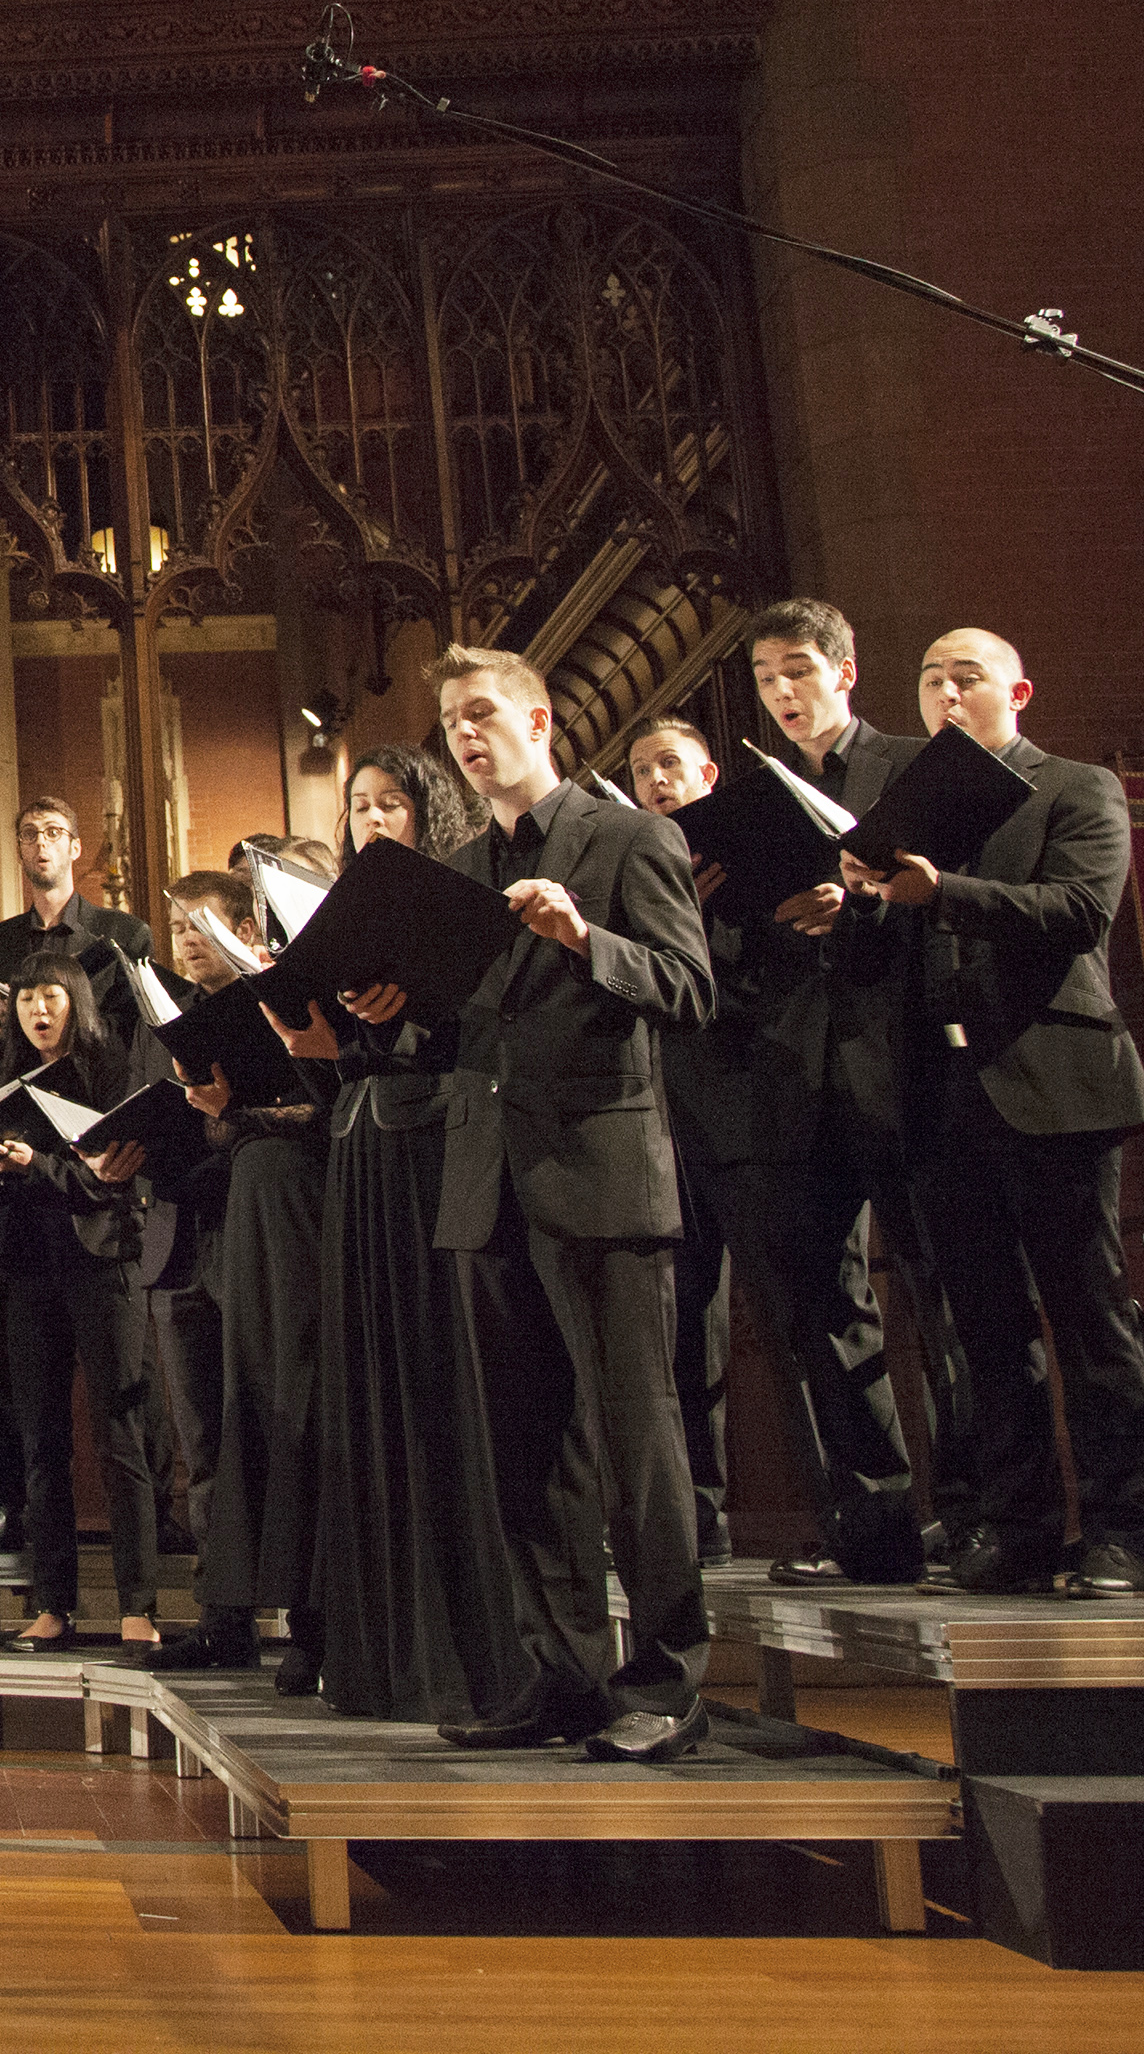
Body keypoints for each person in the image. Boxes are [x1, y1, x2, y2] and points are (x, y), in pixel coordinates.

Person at [426, 645, 719, 1764]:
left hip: (599, 1173)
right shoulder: (454, 867)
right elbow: (454, 1025)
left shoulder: (630, 836)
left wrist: (582, 940)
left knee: (636, 1444)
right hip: (486, 1179)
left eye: (484, 712)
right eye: (453, 719)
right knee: (524, 1451)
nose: (466, 733)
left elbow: (689, 987)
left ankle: (667, 1684)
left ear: (540, 718)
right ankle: (559, 1676)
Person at [874, 629, 1144, 1597]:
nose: (947, 693)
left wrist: (941, 889)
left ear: (1020, 691)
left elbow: (1080, 909)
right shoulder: (912, 811)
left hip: (1051, 1081)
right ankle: (1023, 1528)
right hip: (945, 1095)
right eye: (930, 681)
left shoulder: (1077, 787)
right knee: (987, 1329)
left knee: (1088, 1313)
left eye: (968, 678)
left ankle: (1122, 1530)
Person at [283, 750, 519, 1724]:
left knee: (437, 1392)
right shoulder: (341, 910)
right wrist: (319, 1051)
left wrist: (413, 1006)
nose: (374, 819)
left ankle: (460, 1657)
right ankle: (377, 1657)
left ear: (432, 812)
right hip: (361, 1160)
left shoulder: (462, 893)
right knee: (369, 1396)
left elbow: (486, 1028)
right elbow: (345, 1067)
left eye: (392, 804)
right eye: (360, 807)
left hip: (431, 1154)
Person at [704, 598, 936, 1586]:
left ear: (845, 669)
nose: (783, 694)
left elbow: (957, 909)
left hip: (903, 1059)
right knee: (822, 1301)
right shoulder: (761, 796)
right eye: (764, 680)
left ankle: (975, 1514)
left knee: (942, 1291)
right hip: (796, 1070)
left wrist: (867, 899)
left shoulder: (913, 768)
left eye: (797, 671)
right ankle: (871, 1517)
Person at [0, 955, 162, 1656]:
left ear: (75, 1000)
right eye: (25, 1000)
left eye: (49, 996)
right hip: (30, 1270)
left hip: (103, 1264)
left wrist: (35, 1166)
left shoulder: (112, 1075)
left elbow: (110, 1182)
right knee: (41, 1440)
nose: (38, 1010)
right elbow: (1, 1191)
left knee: (120, 1432)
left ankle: (138, 1605)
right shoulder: (8, 1086)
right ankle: (53, 1605)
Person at [162, 865, 328, 1691]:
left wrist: (232, 1119)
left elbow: (315, 1106)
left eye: (204, 926)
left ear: (246, 930)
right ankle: (222, 1614)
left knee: (280, 1415)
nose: (190, 941)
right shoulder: (172, 1018)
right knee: (210, 1439)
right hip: (187, 1237)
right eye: (181, 929)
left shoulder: (275, 1006)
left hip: (268, 1232)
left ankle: (309, 1620)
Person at [622, 717, 747, 1563]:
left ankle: (862, 1519)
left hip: (754, 1107)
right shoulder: (633, 862)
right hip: (666, 1117)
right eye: (642, 773)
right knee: (683, 1325)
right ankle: (698, 1509)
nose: (657, 782)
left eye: (671, 766)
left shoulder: (745, 857)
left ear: (707, 772)